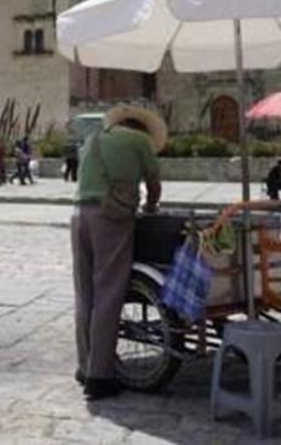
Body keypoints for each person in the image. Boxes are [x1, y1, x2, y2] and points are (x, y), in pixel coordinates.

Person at [71, 105, 165, 401]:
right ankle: (100, 376)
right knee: (109, 292)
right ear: (141, 129)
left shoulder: (93, 138)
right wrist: (150, 207)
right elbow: (154, 184)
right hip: (110, 218)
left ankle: (85, 366)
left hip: (79, 215)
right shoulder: (139, 141)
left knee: (85, 294)